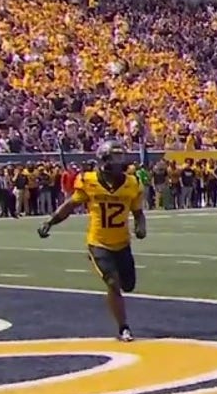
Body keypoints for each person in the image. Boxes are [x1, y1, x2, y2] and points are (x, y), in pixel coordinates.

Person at [36, 141, 147, 341]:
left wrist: (141, 226)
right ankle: (123, 328)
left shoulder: (132, 183)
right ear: (104, 160)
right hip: (99, 243)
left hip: (122, 243)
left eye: (121, 157)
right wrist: (50, 222)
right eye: (115, 158)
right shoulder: (89, 181)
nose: (119, 162)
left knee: (128, 285)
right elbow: (70, 205)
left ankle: (122, 320)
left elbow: (138, 212)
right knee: (113, 283)